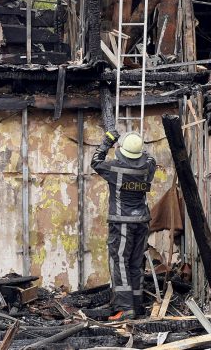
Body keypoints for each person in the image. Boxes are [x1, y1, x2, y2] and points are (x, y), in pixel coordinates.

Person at [90, 130, 156, 321]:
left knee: (120, 263)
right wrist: (138, 146)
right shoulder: (148, 167)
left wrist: (108, 141)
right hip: (142, 222)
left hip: (122, 223)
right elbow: (149, 157)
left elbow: (95, 161)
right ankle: (136, 305)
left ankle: (125, 309)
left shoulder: (114, 168)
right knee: (136, 263)